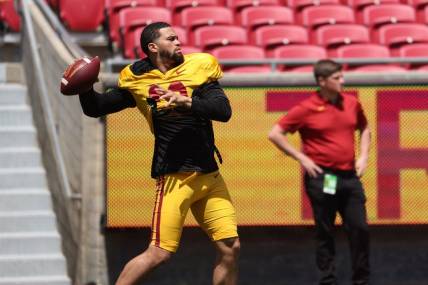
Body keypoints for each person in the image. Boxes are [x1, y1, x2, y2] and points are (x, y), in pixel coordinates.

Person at [78, 22, 240, 285]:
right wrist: (85, 88)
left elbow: (223, 111)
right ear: (153, 47)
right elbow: (96, 108)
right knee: (159, 253)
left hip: (210, 176)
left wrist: (187, 102)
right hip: (175, 178)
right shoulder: (137, 77)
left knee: (230, 248)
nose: (179, 42)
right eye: (172, 38)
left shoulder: (198, 66)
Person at [268, 59, 371, 285]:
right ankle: (328, 280)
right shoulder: (306, 108)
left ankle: (362, 280)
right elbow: (275, 133)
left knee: (359, 228)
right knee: (325, 229)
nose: (342, 81)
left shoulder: (352, 103)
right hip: (325, 178)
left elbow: (364, 127)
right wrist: (301, 157)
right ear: (322, 81)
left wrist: (363, 156)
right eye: (337, 78)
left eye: (342, 76)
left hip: (349, 177)